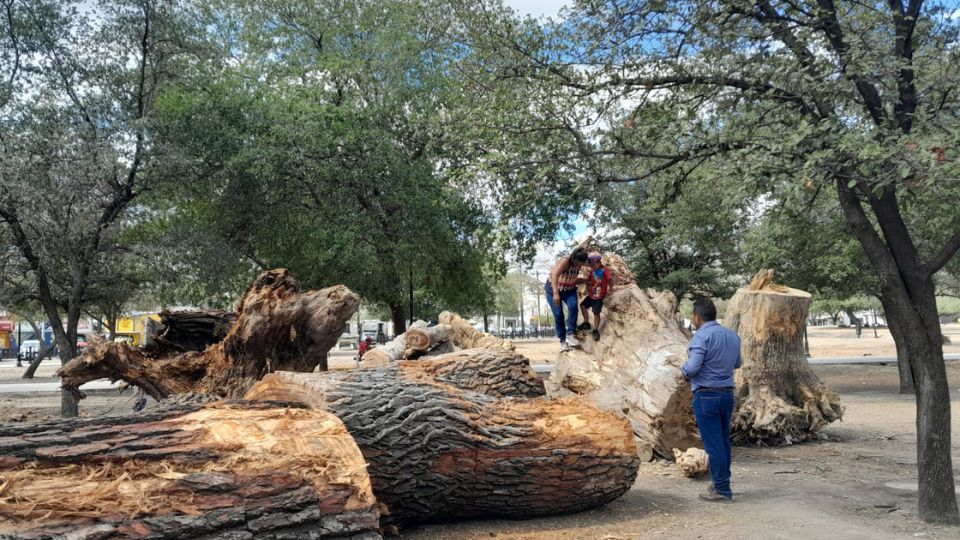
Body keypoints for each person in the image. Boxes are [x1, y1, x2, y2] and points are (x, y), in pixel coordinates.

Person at [681, 298, 741, 503]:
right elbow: (737, 363)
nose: (692, 319)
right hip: (727, 394)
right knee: (723, 442)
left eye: (692, 316)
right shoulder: (732, 336)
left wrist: (683, 369)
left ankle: (722, 489)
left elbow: (692, 367)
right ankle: (721, 482)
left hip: (706, 395)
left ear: (697, 317)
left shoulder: (701, 337)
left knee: (714, 444)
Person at [545, 248, 589, 350]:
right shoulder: (566, 260)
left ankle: (570, 334)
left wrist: (585, 280)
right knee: (558, 315)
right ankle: (563, 341)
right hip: (553, 289)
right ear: (574, 258)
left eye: (581, 264)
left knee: (573, 307)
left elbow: (572, 276)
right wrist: (556, 293)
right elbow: (554, 274)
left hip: (569, 289)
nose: (579, 266)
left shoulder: (582, 261)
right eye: (577, 263)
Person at [577, 252, 611, 341]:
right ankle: (586, 322)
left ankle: (595, 330)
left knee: (596, 313)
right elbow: (589, 280)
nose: (591, 267)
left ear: (598, 262)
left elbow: (610, 280)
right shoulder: (592, 271)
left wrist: (611, 289)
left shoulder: (605, 270)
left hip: (599, 296)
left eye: (593, 265)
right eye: (591, 265)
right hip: (591, 295)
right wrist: (584, 282)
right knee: (582, 305)